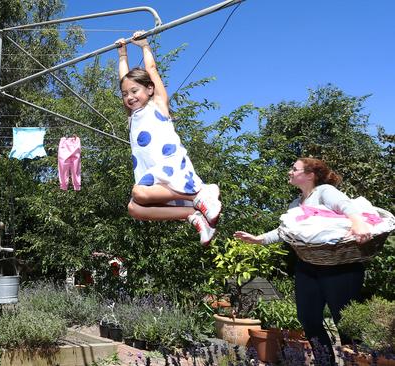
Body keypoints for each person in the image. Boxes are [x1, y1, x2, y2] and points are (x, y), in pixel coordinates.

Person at [234, 157, 372, 365]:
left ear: (309, 175)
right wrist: (259, 239)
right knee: (308, 319)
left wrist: (359, 225)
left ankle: (360, 361)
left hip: (340, 268)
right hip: (308, 267)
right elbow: (285, 231)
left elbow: (347, 207)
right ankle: (325, 362)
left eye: (294, 169)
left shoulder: (325, 191)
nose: (290, 172)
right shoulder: (296, 204)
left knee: (346, 323)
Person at [116, 31, 222, 245]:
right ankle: (194, 215)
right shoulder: (132, 116)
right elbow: (123, 81)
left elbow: (152, 70)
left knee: (138, 192)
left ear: (150, 89)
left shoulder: (158, 105)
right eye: (126, 94)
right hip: (153, 177)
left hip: (171, 169)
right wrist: (122, 55)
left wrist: (144, 46)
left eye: (135, 91)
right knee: (134, 208)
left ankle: (200, 194)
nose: (130, 97)